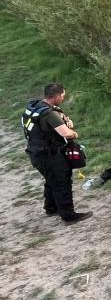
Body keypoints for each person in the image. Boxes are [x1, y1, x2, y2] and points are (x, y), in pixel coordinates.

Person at [21, 83, 90, 223]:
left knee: (51, 179)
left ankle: (51, 208)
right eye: (63, 96)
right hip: (49, 155)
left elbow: (51, 124)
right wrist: (74, 133)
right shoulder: (48, 113)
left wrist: (66, 122)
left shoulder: (35, 107)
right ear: (57, 96)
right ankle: (68, 215)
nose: (63, 98)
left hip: (36, 153)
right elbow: (66, 133)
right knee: (61, 182)